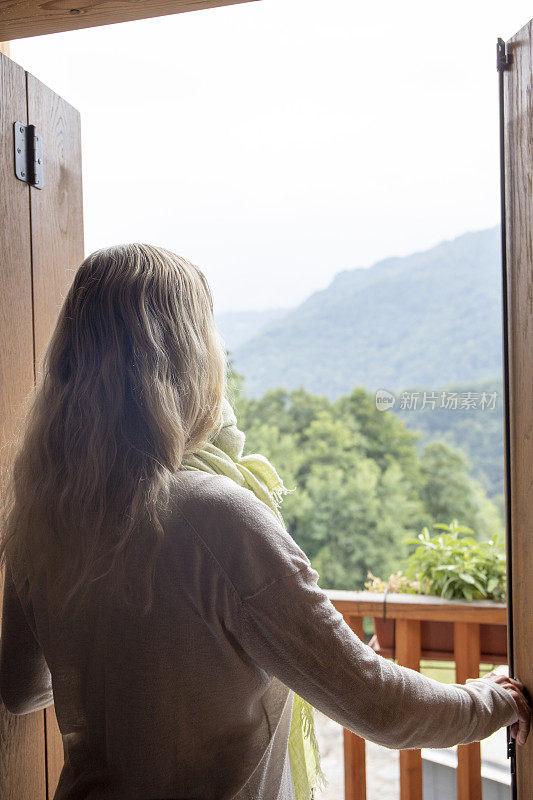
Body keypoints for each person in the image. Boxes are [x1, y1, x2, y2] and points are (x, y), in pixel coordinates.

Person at [0, 243, 529, 800]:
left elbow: (22, 687)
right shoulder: (214, 518)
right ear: (189, 359)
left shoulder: (46, 517)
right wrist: (492, 701)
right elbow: (379, 705)